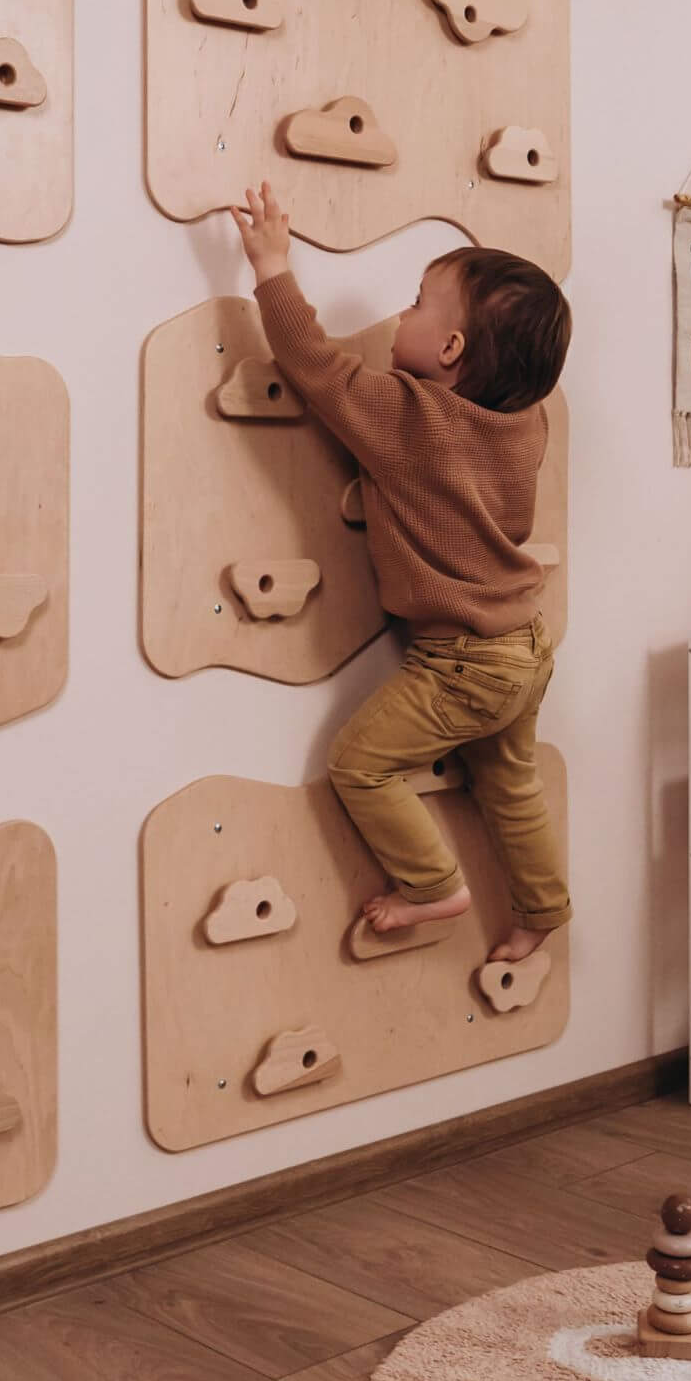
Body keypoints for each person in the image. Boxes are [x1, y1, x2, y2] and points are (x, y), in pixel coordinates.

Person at [230, 180, 571, 963]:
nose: (400, 316)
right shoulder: (526, 421)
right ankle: (541, 911)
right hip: (525, 646)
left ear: (450, 351)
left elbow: (316, 369)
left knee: (359, 763)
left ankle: (432, 887)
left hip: (459, 662)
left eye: (417, 305)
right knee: (510, 785)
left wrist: (272, 266)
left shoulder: (406, 416)